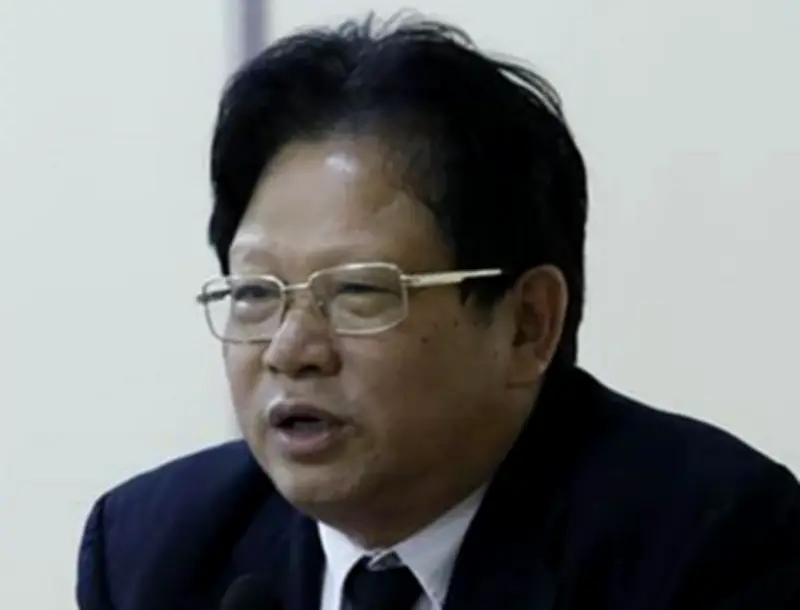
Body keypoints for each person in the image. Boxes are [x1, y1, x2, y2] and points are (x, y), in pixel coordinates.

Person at [76, 14, 800, 610]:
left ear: (528, 325)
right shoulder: (151, 551)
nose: (290, 349)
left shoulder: (709, 543)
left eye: (358, 291)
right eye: (256, 294)